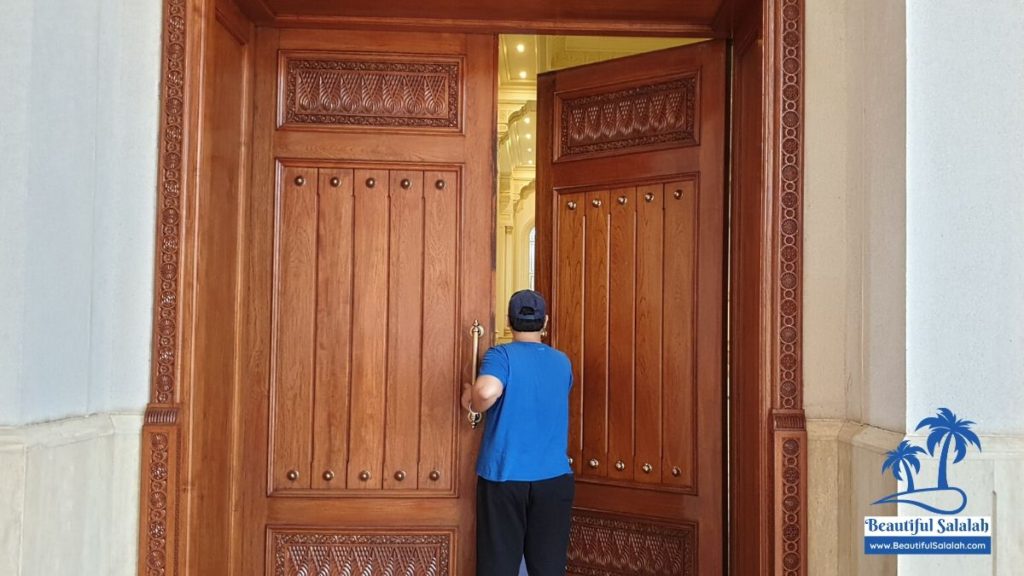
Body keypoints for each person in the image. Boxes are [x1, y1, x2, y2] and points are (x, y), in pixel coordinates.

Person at [462, 289, 575, 576]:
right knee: (548, 567)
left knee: (498, 565)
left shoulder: (501, 355)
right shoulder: (562, 361)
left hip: (505, 476)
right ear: (544, 322)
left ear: (509, 321)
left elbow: (487, 391)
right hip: (554, 479)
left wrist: (471, 400)